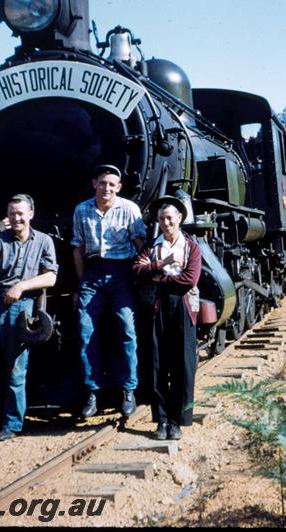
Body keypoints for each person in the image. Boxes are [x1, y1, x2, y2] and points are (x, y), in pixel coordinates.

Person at [0, 194, 58, 441]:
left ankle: (12, 424)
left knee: (17, 369)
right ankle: (4, 388)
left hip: (22, 306)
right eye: (12, 213)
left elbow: (51, 277)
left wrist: (22, 286)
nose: (16, 218)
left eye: (20, 213)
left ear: (31, 214)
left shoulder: (44, 241)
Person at [72, 164, 146, 418]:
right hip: (92, 273)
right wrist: (81, 283)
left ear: (119, 187)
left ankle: (129, 389)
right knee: (85, 331)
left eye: (112, 184)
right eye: (102, 183)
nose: (107, 188)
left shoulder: (129, 209)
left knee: (127, 328)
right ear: (95, 183)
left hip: (122, 273)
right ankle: (92, 391)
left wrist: (143, 277)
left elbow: (140, 245)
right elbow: (78, 250)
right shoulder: (81, 210)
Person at [132, 198, 201, 440]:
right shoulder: (151, 246)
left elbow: (189, 280)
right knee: (156, 364)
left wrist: (157, 278)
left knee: (183, 365)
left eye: (170, 218)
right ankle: (161, 420)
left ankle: (177, 420)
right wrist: (161, 265)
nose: (166, 223)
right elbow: (136, 271)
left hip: (182, 307)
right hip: (156, 307)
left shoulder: (192, 247)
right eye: (161, 219)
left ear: (179, 218)